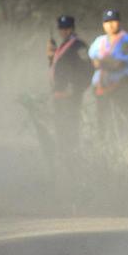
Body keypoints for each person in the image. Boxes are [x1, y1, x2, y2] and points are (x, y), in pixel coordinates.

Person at [47, 15, 91, 154]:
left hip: (70, 95)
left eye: (67, 28)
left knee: (71, 128)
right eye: (61, 28)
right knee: (60, 129)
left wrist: (76, 89)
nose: (64, 31)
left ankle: (72, 156)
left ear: (72, 28)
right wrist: (51, 56)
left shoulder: (79, 46)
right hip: (58, 94)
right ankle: (63, 156)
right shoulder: (62, 46)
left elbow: (88, 70)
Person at [88, 9, 128, 136]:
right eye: (107, 22)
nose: (110, 25)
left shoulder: (126, 40)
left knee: (122, 125)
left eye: (113, 21)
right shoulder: (99, 41)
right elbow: (92, 61)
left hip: (119, 87)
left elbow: (119, 64)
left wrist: (101, 62)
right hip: (101, 89)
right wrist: (108, 61)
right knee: (102, 125)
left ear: (119, 22)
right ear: (103, 24)